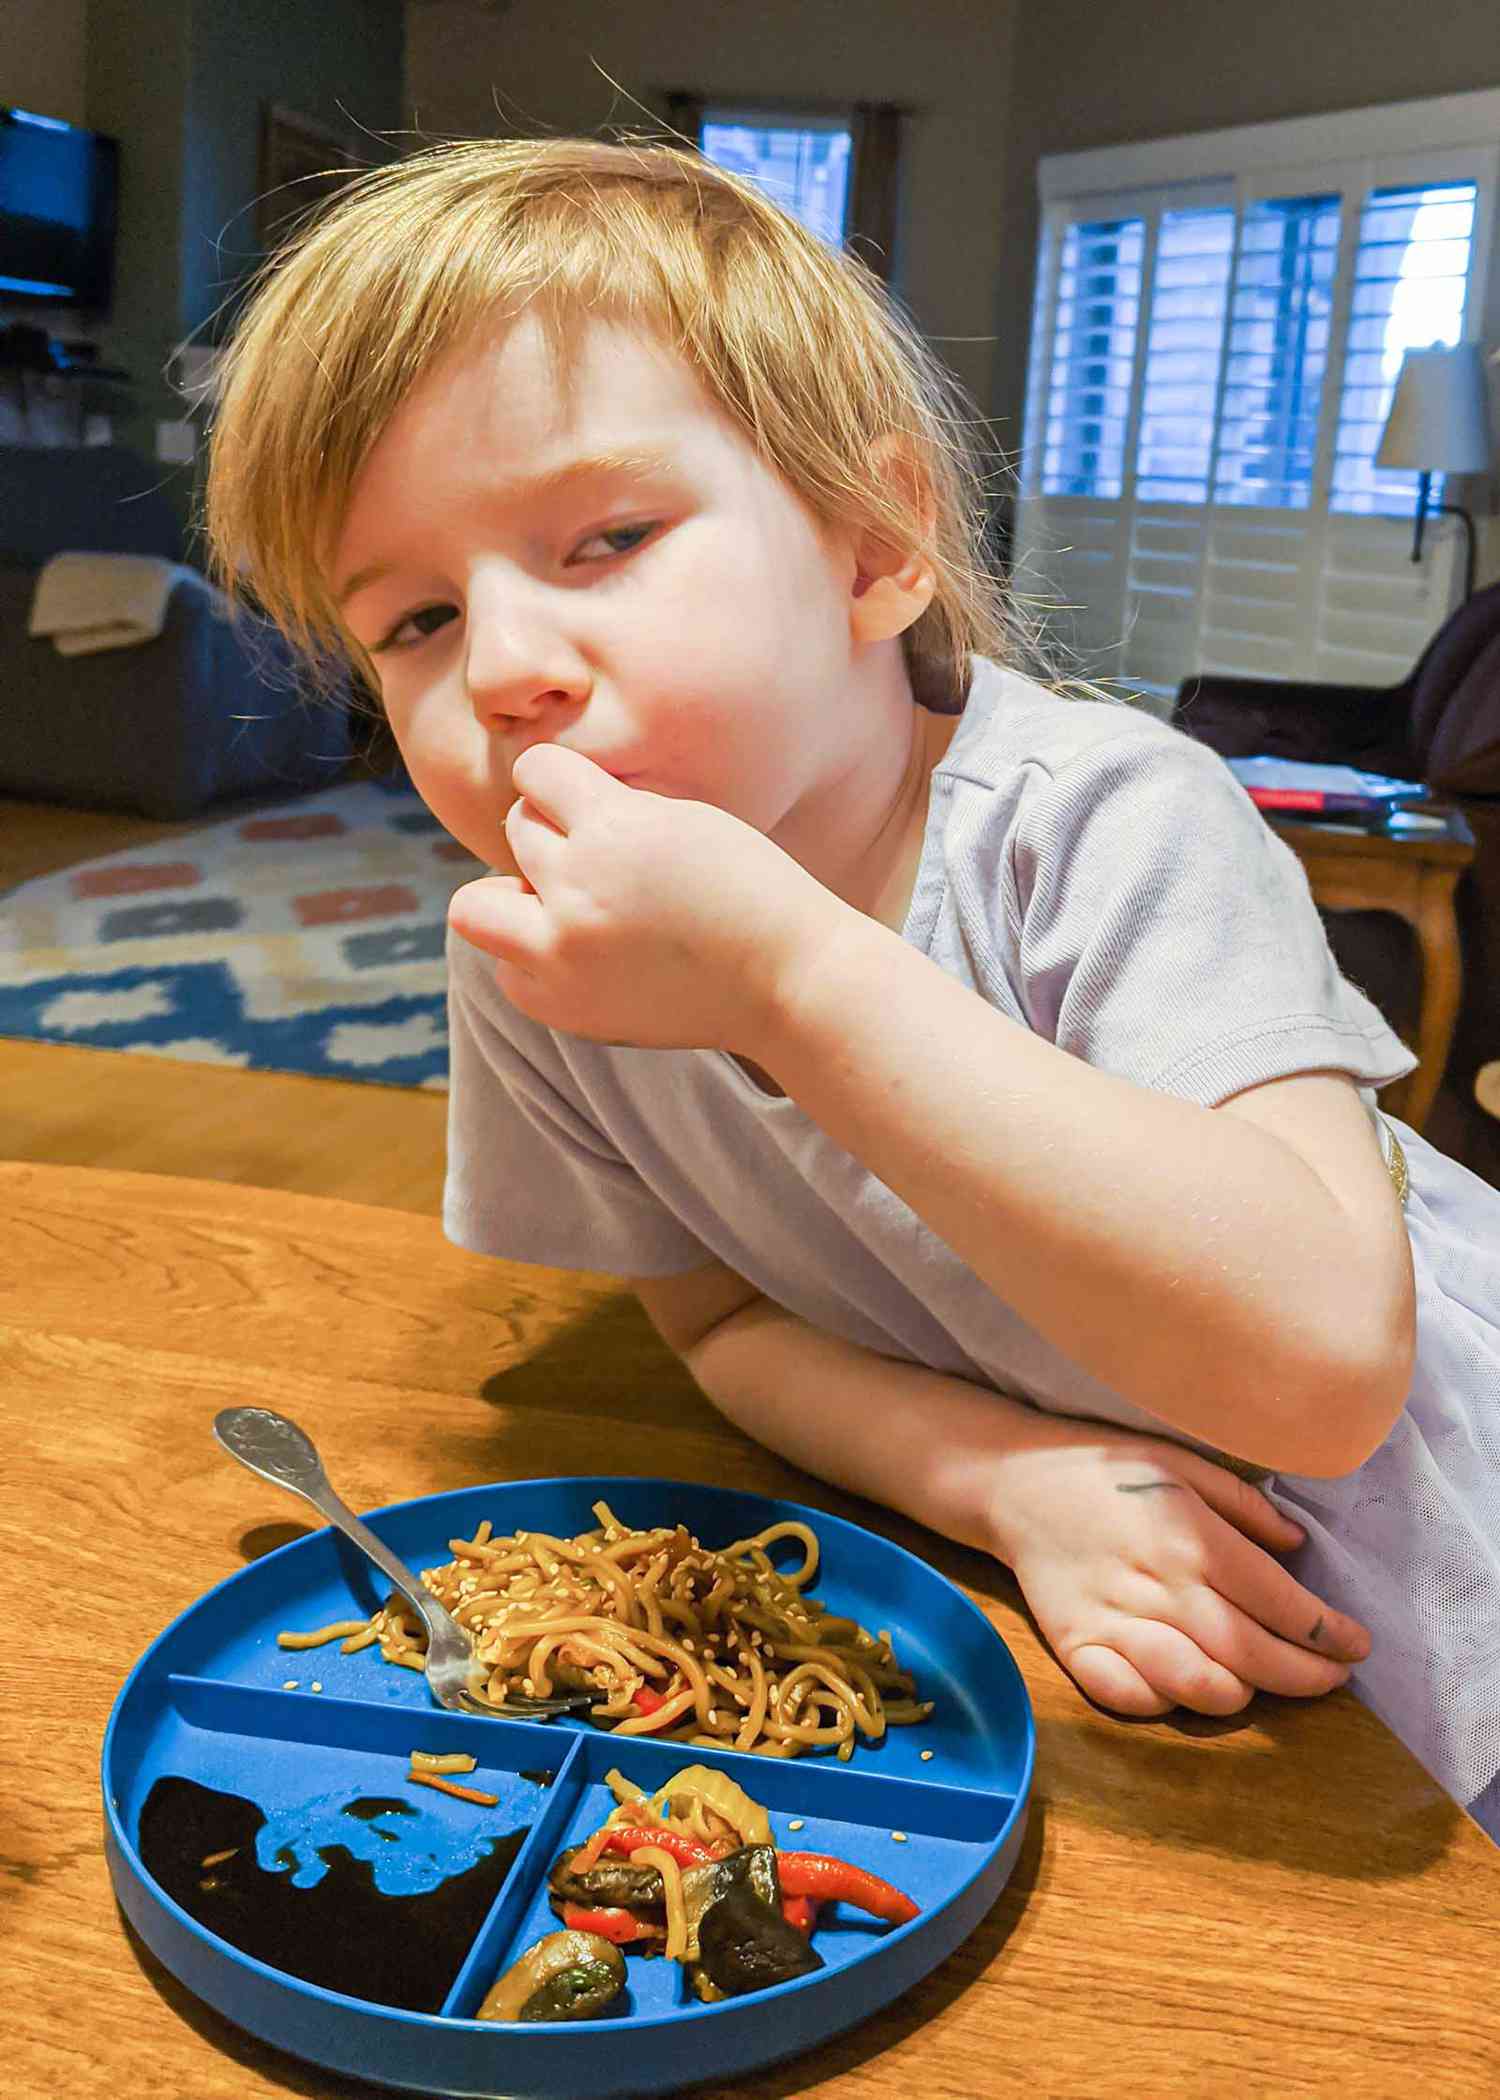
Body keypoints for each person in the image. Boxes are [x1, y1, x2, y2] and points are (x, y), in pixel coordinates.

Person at [202, 135, 1500, 1841]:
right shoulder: (539, 969)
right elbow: (725, 1325)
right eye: (421, 620)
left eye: (603, 538)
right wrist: (1001, 1480)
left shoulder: (1100, 824)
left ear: (875, 546)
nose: (506, 670)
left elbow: (1325, 1366)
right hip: (1149, 1669)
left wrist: (789, 974)